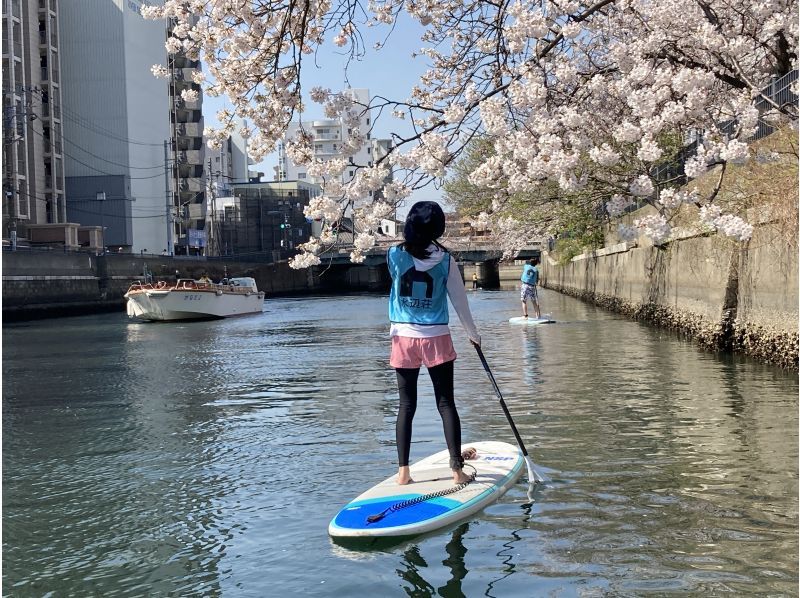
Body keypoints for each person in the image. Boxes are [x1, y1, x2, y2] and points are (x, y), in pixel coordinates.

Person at [388, 201, 481, 486]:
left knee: (406, 405)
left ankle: (403, 472)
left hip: (403, 336)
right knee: (446, 403)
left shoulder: (393, 255)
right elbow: (459, 300)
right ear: (439, 228)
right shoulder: (446, 261)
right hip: (436, 336)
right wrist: (473, 334)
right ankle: (457, 471)